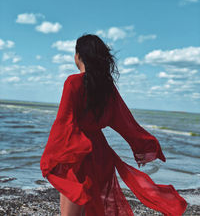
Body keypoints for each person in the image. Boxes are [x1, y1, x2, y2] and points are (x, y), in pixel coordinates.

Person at [40, 34, 188, 216]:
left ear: (79, 56)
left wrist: (52, 156)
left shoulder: (73, 82)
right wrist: (145, 145)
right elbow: (125, 122)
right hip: (100, 154)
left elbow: (64, 122)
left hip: (77, 153)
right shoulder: (107, 87)